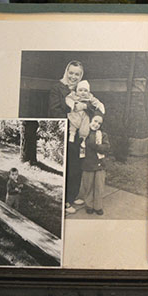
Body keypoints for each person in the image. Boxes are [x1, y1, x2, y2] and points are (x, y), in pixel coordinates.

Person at [48, 60, 86, 214]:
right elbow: (54, 111)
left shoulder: (81, 89)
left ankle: (73, 196)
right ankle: (65, 202)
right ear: (66, 72)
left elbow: (90, 104)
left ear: (81, 75)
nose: (73, 76)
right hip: (66, 131)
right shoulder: (57, 88)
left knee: (77, 166)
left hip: (79, 135)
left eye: (77, 74)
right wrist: (74, 113)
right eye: (71, 73)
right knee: (69, 167)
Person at [77, 114, 109, 215]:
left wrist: (96, 146)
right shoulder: (84, 133)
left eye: (99, 123)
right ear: (90, 120)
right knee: (88, 186)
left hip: (100, 164)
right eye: (95, 121)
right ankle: (89, 205)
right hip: (88, 163)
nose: (96, 124)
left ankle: (98, 206)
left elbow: (106, 147)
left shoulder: (103, 134)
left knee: (99, 186)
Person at [65, 79, 106, 146]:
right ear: (77, 91)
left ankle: (83, 139)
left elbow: (96, 101)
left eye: (85, 91)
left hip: (85, 115)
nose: (83, 92)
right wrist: (72, 105)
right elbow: (68, 99)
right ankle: (72, 134)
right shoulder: (74, 95)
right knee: (73, 123)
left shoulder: (90, 97)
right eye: (80, 90)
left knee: (85, 126)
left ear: (88, 92)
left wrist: (100, 106)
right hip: (76, 113)